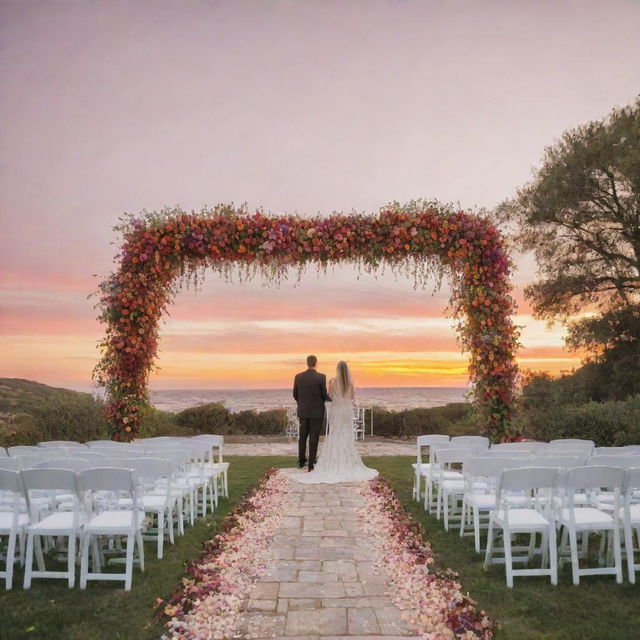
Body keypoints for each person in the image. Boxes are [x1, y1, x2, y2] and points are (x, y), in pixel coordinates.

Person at [294, 360, 378, 484]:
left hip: (336, 411)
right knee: (345, 434)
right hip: (346, 411)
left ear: (338, 370)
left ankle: (329, 461)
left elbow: (331, 396)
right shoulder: (350, 384)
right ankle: (346, 461)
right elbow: (352, 397)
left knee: (335, 433)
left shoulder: (333, 382)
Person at [293, 354, 330, 471]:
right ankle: (311, 464)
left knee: (302, 437)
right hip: (317, 412)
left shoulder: (298, 377)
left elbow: (295, 394)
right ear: (316, 363)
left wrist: (302, 403)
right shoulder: (321, 377)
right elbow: (324, 396)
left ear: (307, 363)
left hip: (303, 411)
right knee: (314, 437)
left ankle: (301, 460)